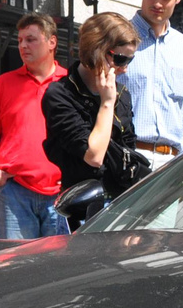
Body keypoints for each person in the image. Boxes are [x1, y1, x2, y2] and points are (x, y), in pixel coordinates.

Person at [0, 13, 68, 238]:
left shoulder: (70, 83)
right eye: (20, 41)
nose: (23, 46)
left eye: (31, 39)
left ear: (52, 42)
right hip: (14, 191)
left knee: (61, 269)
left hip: (63, 192)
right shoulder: (4, 84)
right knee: (12, 267)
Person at [42, 11, 141, 216]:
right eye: (121, 59)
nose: (125, 69)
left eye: (130, 60)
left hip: (121, 204)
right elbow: (93, 156)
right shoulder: (60, 95)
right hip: (83, 208)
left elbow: (129, 149)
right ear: (98, 51)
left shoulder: (122, 95)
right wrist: (106, 103)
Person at [119, 0, 183, 168]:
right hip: (130, 155)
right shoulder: (119, 38)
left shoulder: (182, 46)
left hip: (173, 162)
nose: (158, 4)